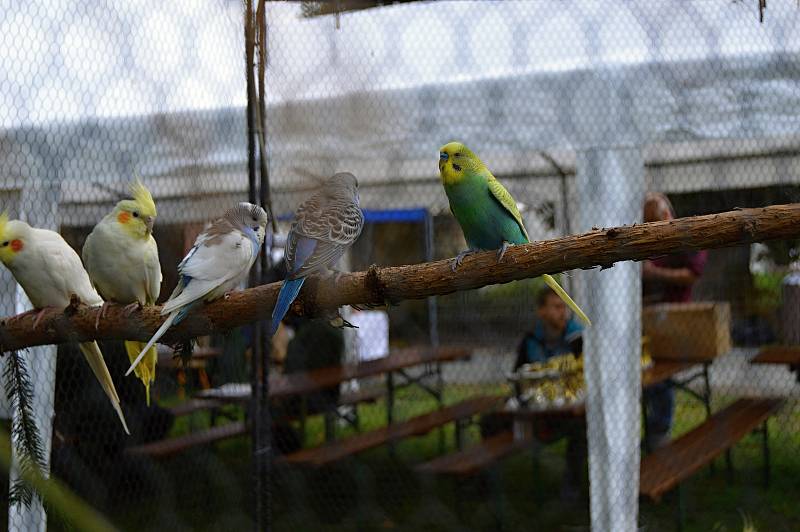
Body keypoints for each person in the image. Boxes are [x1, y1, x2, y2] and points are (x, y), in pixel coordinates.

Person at [642, 192, 708, 450]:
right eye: (646, 222)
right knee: (649, 374)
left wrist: (655, 272)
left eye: (654, 221)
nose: (651, 227)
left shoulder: (686, 237)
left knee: (662, 374)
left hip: (677, 319)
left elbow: (692, 274)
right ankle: (651, 431)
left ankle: (659, 433)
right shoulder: (645, 239)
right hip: (648, 317)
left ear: (668, 215)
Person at [516, 286, 587, 502]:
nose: (562, 312)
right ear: (541, 311)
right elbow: (518, 381)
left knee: (581, 426)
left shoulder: (576, 336)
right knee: (489, 421)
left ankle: (572, 485)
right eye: (556, 307)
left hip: (570, 412)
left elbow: (587, 375)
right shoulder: (530, 341)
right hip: (540, 412)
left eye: (564, 306)